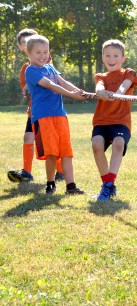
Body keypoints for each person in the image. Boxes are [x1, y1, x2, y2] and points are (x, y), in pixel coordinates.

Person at [24, 35, 86, 195]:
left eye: (45, 51)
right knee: (51, 153)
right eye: (38, 52)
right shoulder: (30, 71)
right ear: (28, 53)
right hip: (42, 117)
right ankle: (50, 183)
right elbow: (51, 85)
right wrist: (72, 96)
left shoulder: (50, 68)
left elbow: (62, 82)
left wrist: (78, 91)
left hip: (60, 115)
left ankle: (71, 186)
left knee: (66, 152)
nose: (42, 56)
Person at [8, 28, 65, 183]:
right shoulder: (25, 69)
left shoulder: (46, 64)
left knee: (51, 141)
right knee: (28, 137)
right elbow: (26, 90)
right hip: (34, 111)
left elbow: (54, 82)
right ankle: (26, 172)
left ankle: (60, 171)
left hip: (50, 112)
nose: (28, 44)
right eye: (24, 43)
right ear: (22, 47)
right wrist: (27, 89)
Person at [91, 40, 137, 201]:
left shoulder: (129, 73)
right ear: (103, 57)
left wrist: (116, 94)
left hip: (121, 121)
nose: (112, 59)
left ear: (123, 58)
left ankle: (108, 185)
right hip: (101, 120)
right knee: (97, 145)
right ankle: (107, 184)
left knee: (119, 144)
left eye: (116, 56)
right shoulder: (100, 76)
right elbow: (99, 87)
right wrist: (101, 92)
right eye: (108, 55)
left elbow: (124, 86)